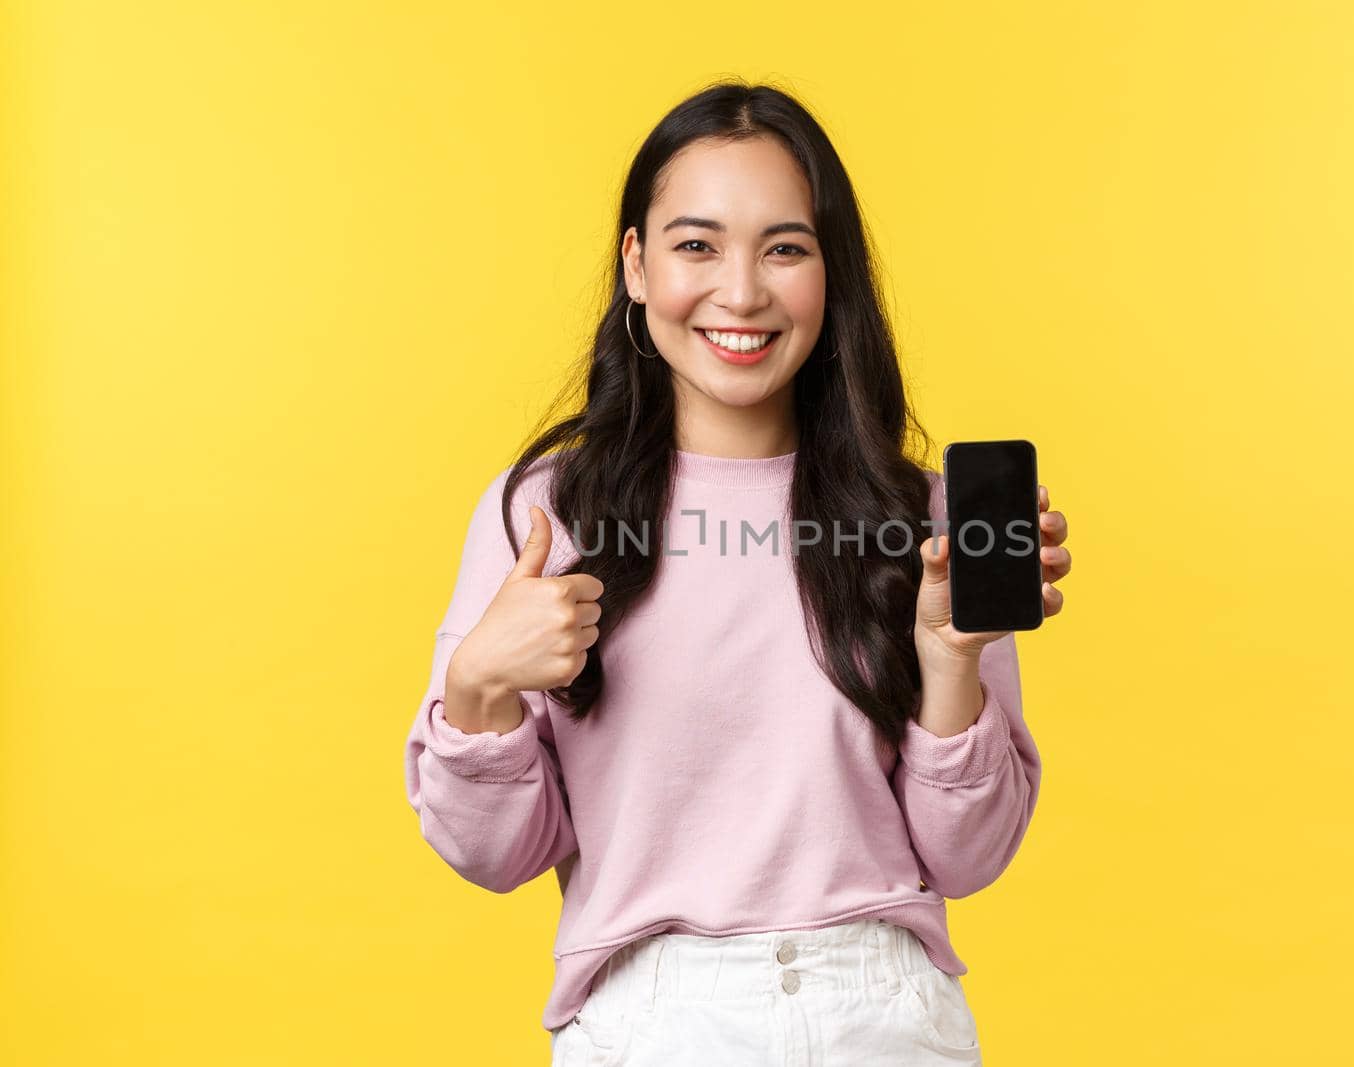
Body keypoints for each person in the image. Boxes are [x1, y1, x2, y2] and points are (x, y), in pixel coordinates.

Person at [402, 80, 1072, 1066]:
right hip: (649, 1015)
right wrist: (476, 688)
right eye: (697, 244)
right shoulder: (544, 512)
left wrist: (948, 660)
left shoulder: (921, 520)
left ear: (830, 274)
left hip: (880, 1013)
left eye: (786, 248)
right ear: (636, 263)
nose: (743, 291)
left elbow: (968, 860)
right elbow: (497, 855)